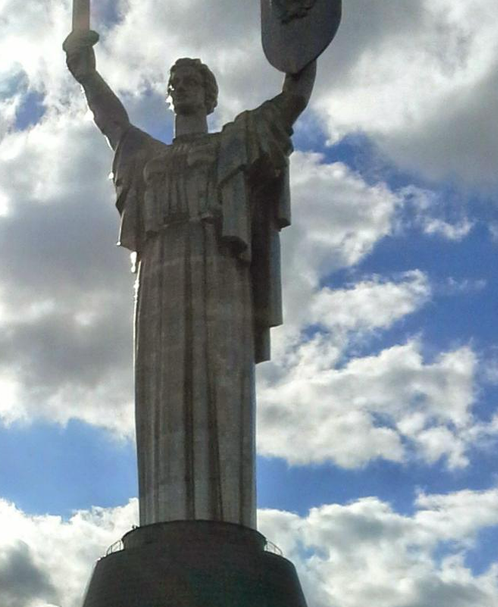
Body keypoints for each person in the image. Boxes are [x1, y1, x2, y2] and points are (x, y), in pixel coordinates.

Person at [64, 30, 316, 528]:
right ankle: (166, 519)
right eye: (175, 82)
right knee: (164, 393)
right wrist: (87, 74)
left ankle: (224, 520)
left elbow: (291, 101)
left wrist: (303, 44)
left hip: (219, 265)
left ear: (209, 93)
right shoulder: (147, 157)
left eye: (192, 80)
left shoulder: (236, 142)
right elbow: (112, 123)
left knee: (220, 381)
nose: (182, 87)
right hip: (159, 276)